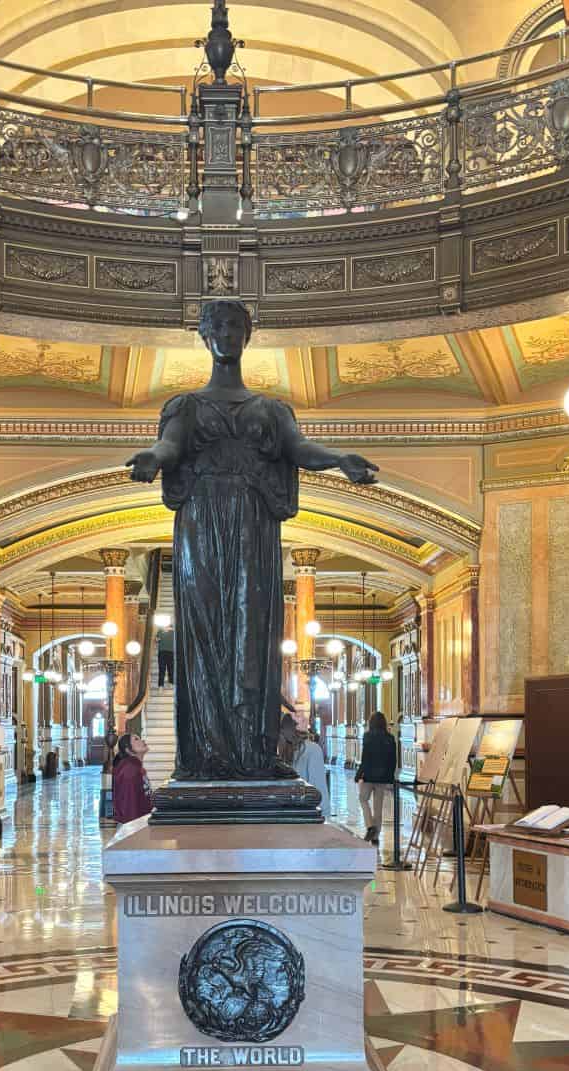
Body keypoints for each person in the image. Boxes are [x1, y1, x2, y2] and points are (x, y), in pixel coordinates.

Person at [127, 299, 377, 780]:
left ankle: (255, 754)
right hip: (203, 523)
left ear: (248, 335)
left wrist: (340, 458)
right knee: (206, 631)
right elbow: (171, 445)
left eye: (235, 326)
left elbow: (299, 449)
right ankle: (205, 755)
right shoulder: (186, 406)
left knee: (253, 633)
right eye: (217, 325)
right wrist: (153, 457)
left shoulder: (271, 409)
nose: (226, 333)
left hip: (255, 525)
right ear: (204, 336)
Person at [355, 711, 396, 845]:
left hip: (369, 775)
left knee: (363, 799)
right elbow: (393, 760)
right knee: (378, 807)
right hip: (383, 777)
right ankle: (376, 836)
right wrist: (390, 777)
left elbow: (365, 758)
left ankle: (370, 826)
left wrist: (359, 774)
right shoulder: (390, 738)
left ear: (371, 723)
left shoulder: (367, 737)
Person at [279, 712, 330, 818]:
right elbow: (319, 791)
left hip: (290, 813)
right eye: (297, 716)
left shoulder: (284, 751)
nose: (302, 715)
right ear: (294, 726)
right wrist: (326, 817)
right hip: (308, 815)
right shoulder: (313, 749)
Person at [112, 732, 153, 824]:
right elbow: (129, 805)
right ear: (128, 750)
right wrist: (134, 833)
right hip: (133, 827)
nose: (143, 741)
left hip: (140, 823)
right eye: (136, 739)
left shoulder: (137, 768)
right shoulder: (130, 771)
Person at [156, 624, 175, 688]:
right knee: (162, 669)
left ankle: (171, 682)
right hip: (162, 652)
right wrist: (161, 633)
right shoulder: (160, 631)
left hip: (171, 652)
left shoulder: (174, 632)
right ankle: (161, 685)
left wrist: (172, 630)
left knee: (171, 668)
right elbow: (156, 640)